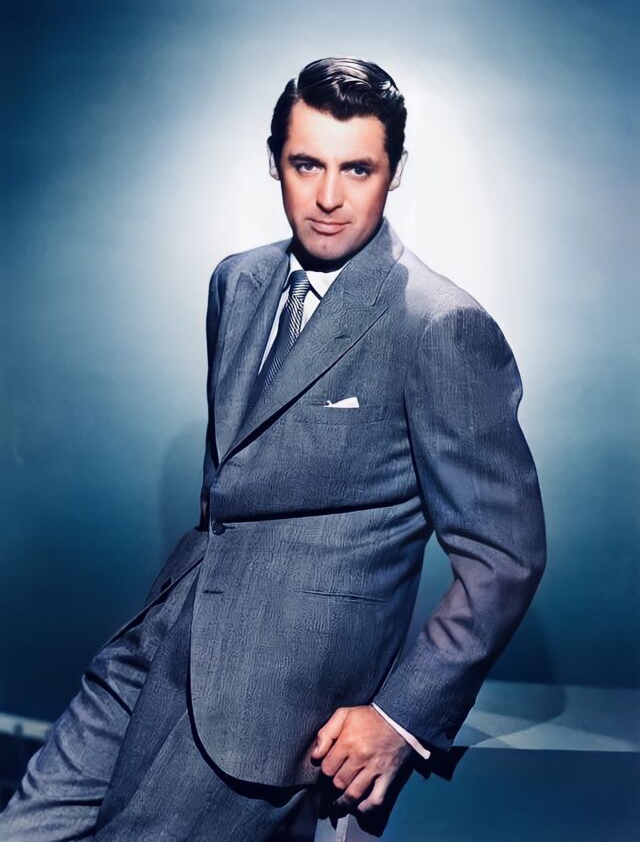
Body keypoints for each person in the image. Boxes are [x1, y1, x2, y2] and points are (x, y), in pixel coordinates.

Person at [1, 57, 547, 840]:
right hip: (156, 645)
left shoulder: (439, 326)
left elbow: (505, 556)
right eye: (307, 164)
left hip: (273, 701)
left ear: (394, 172)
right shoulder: (238, 282)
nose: (328, 197)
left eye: (357, 169)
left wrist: (400, 716)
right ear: (274, 161)